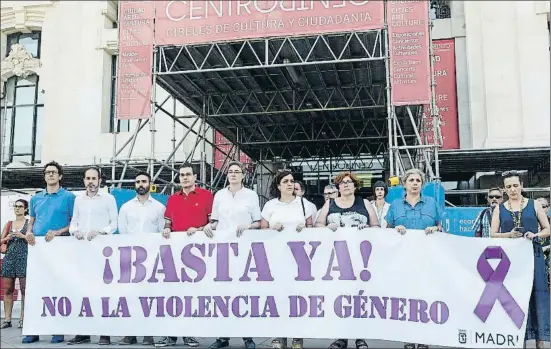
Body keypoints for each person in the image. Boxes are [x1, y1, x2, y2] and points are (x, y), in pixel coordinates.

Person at [315, 171, 379, 349]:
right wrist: (328, 226)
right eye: (342, 183)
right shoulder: (330, 203)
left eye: (349, 182)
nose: (346, 185)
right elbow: (317, 224)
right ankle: (341, 337)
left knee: (359, 298)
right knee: (339, 299)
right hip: (336, 259)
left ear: (355, 185)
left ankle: (360, 337)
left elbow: (376, 226)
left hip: (360, 260)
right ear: (338, 187)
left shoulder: (365, 203)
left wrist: (367, 228)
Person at [385, 168, 444, 349]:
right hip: (403, 260)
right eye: (411, 180)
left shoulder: (432, 203)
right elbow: (386, 231)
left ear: (422, 184)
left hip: (427, 259)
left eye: (418, 180)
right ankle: (409, 337)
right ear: (405, 184)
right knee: (406, 297)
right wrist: (395, 230)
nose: (415, 183)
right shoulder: (395, 205)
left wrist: (435, 229)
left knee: (425, 297)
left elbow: (441, 228)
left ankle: (424, 338)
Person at [490, 171, 550, 348]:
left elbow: (547, 229)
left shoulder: (534, 205)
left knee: (538, 295)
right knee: (515, 299)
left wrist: (536, 234)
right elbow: (492, 234)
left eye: (515, 185)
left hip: (534, 256)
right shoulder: (499, 208)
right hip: (511, 260)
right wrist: (508, 235)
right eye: (508, 187)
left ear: (521, 186)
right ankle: (519, 341)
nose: (513, 189)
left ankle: (540, 342)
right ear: (504, 190)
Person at [157, 162, 213, 348]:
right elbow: (168, 221)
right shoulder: (173, 198)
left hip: (199, 255)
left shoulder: (207, 196)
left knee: (192, 297)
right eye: (182, 175)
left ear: (195, 177)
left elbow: (212, 223)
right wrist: (166, 228)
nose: (185, 178)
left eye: (188, 174)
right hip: (175, 253)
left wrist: (197, 229)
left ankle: (190, 335)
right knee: (173, 296)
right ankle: (171, 335)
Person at [206, 161, 260, 349]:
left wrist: (247, 226)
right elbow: (215, 221)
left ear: (243, 175)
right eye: (231, 172)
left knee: (244, 294)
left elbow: (258, 222)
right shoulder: (219, 195)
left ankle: (247, 337)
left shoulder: (251, 195)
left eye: (238, 172)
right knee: (222, 295)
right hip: (222, 251)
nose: (234, 174)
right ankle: (223, 336)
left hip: (244, 250)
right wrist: (208, 226)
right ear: (227, 175)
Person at [23, 161, 75, 344]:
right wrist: (28, 232)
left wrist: (58, 232)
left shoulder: (69, 197)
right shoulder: (36, 198)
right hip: (38, 250)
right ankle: (33, 330)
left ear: (60, 176)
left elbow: (74, 223)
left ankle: (57, 329)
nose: (50, 175)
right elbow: (32, 221)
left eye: (54, 172)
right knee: (35, 290)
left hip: (60, 247)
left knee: (58, 289)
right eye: (47, 172)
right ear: (44, 176)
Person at [261, 170, 313, 349]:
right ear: (278, 186)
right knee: (278, 297)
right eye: (285, 181)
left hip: (299, 260)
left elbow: (313, 229)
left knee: (298, 298)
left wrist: (304, 228)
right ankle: (279, 335)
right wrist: (272, 228)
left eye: (292, 181)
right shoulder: (270, 206)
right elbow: (262, 231)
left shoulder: (304, 204)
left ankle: (297, 336)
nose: (290, 184)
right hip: (277, 258)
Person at [67, 166, 118, 346]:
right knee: (83, 292)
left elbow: (114, 224)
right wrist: (75, 232)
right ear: (84, 181)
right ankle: (83, 332)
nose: (91, 182)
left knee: (102, 293)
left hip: (103, 253)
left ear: (100, 180)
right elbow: (73, 223)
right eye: (88, 178)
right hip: (82, 252)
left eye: (94, 178)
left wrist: (100, 231)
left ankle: (104, 333)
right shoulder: (79, 200)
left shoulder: (108, 199)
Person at [117, 171, 164, 346]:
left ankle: (148, 333)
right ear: (134, 185)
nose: (140, 184)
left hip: (151, 259)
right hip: (130, 258)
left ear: (150, 183)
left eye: (144, 181)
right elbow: (122, 231)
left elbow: (161, 233)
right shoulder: (126, 207)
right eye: (137, 182)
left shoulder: (159, 207)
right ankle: (130, 333)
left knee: (149, 297)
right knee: (130, 296)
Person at [0, 199, 29, 330]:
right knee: (7, 289)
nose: (17, 209)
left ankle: (23, 318)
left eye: (20, 206)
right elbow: (1, 241)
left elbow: (33, 240)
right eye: (16, 206)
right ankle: (7, 319)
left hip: (24, 258)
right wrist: (6, 239)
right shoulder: (9, 224)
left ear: (26, 209)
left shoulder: (29, 224)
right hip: (10, 258)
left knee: (24, 290)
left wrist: (22, 236)